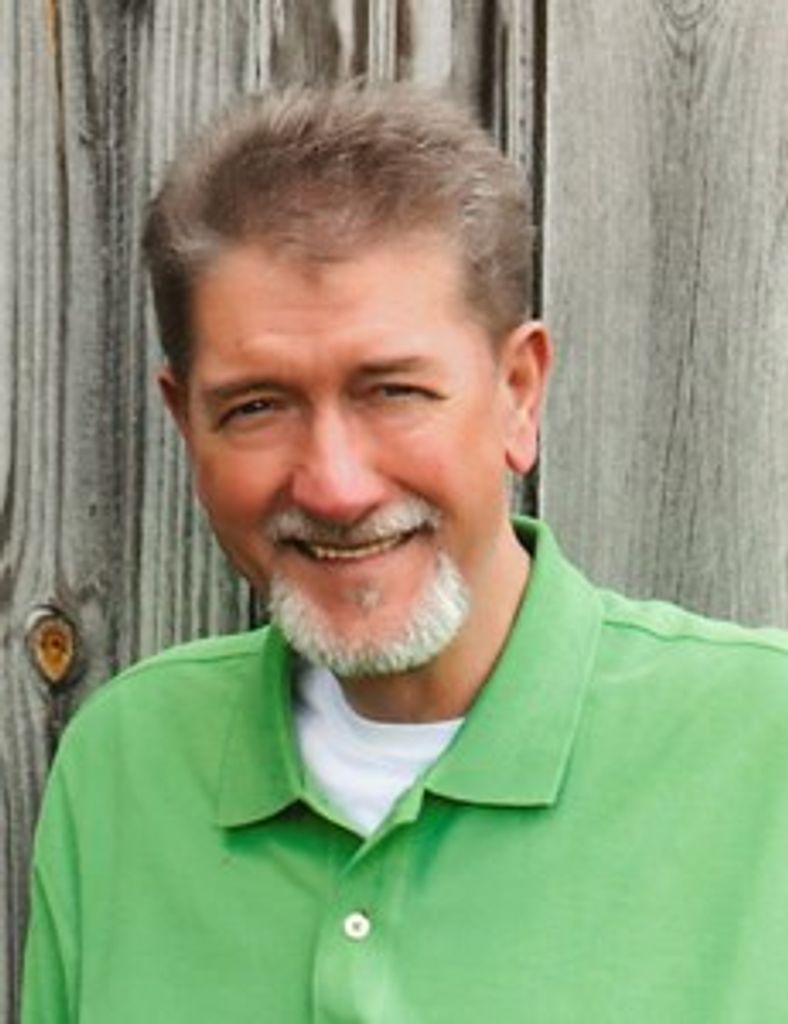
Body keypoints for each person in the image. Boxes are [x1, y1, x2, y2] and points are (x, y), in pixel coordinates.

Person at [21, 82, 788, 1023]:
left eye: (393, 392)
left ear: (518, 392)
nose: (335, 487)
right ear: (188, 425)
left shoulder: (765, 752)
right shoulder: (125, 768)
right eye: (257, 406)